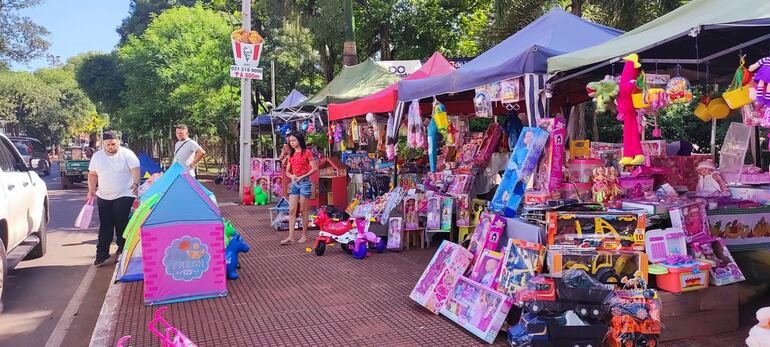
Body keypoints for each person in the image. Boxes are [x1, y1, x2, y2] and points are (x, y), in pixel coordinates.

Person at [87, 131, 141, 266]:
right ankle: (102, 254)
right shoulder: (97, 157)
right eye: (108, 145)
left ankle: (123, 250)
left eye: (113, 144)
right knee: (105, 225)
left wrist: (135, 183)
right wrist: (91, 189)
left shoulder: (127, 154)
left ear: (118, 142)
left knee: (121, 222)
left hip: (124, 193)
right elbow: (92, 174)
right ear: (103, 145)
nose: (111, 147)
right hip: (104, 195)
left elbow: (136, 170)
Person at [281, 131, 317, 245]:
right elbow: (287, 171)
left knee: (303, 210)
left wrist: (302, 176)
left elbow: (314, 168)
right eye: (290, 141)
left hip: (305, 183)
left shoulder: (307, 152)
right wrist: (293, 176)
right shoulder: (291, 154)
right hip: (295, 183)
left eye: (293, 140)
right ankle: (291, 236)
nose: (291, 143)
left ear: (299, 140)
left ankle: (304, 235)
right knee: (292, 210)